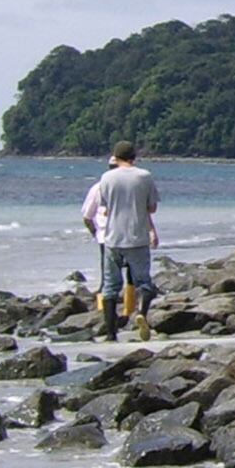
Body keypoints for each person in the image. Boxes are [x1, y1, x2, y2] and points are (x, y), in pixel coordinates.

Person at [80, 141, 160, 342]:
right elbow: (152, 208)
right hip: (137, 237)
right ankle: (141, 312)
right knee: (144, 282)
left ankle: (110, 333)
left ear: (115, 157)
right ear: (134, 156)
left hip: (112, 238)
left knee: (110, 286)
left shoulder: (106, 178)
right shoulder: (145, 176)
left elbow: (105, 207)